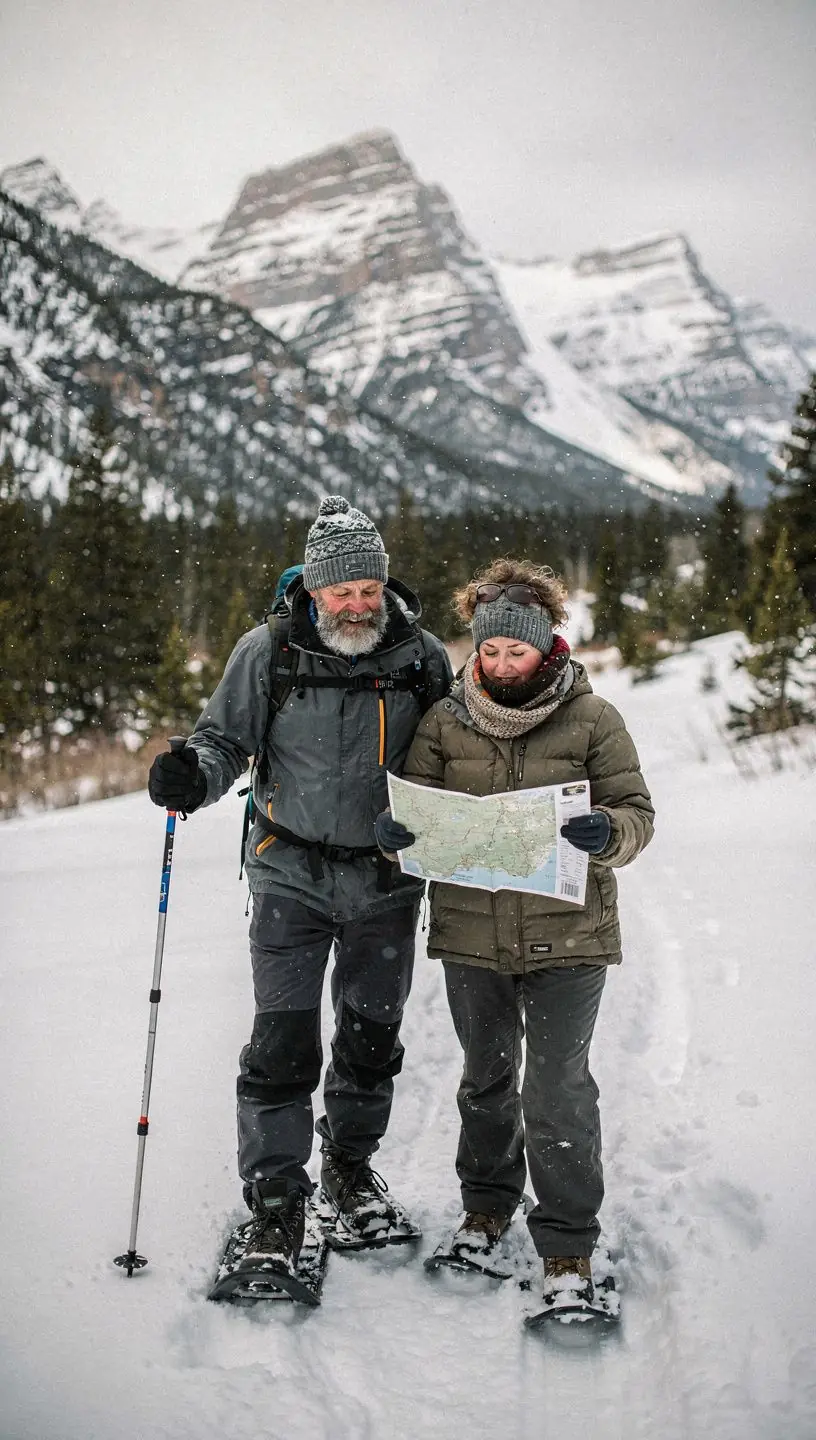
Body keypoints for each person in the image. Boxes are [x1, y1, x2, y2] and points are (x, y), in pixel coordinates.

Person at [148, 496, 452, 1283]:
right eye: (339, 591)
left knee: (369, 1041)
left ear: (384, 586)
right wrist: (193, 776)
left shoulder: (421, 657)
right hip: (290, 873)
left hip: (388, 883)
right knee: (282, 1046)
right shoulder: (268, 652)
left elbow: (458, 759)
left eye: (368, 589)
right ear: (313, 592)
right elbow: (222, 741)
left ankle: (348, 1172)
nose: (356, 604)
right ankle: (278, 1201)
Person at [375, 557, 654, 1309]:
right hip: (473, 934)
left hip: (570, 934)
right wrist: (394, 833)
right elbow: (415, 817)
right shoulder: (444, 720)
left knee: (557, 1088)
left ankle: (566, 1248)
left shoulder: (593, 719)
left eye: (516, 651)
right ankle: (486, 1211)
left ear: (547, 647)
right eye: (490, 651)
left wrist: (608, 833)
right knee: (487, 1081)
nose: (500, 665)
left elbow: (638, 815)